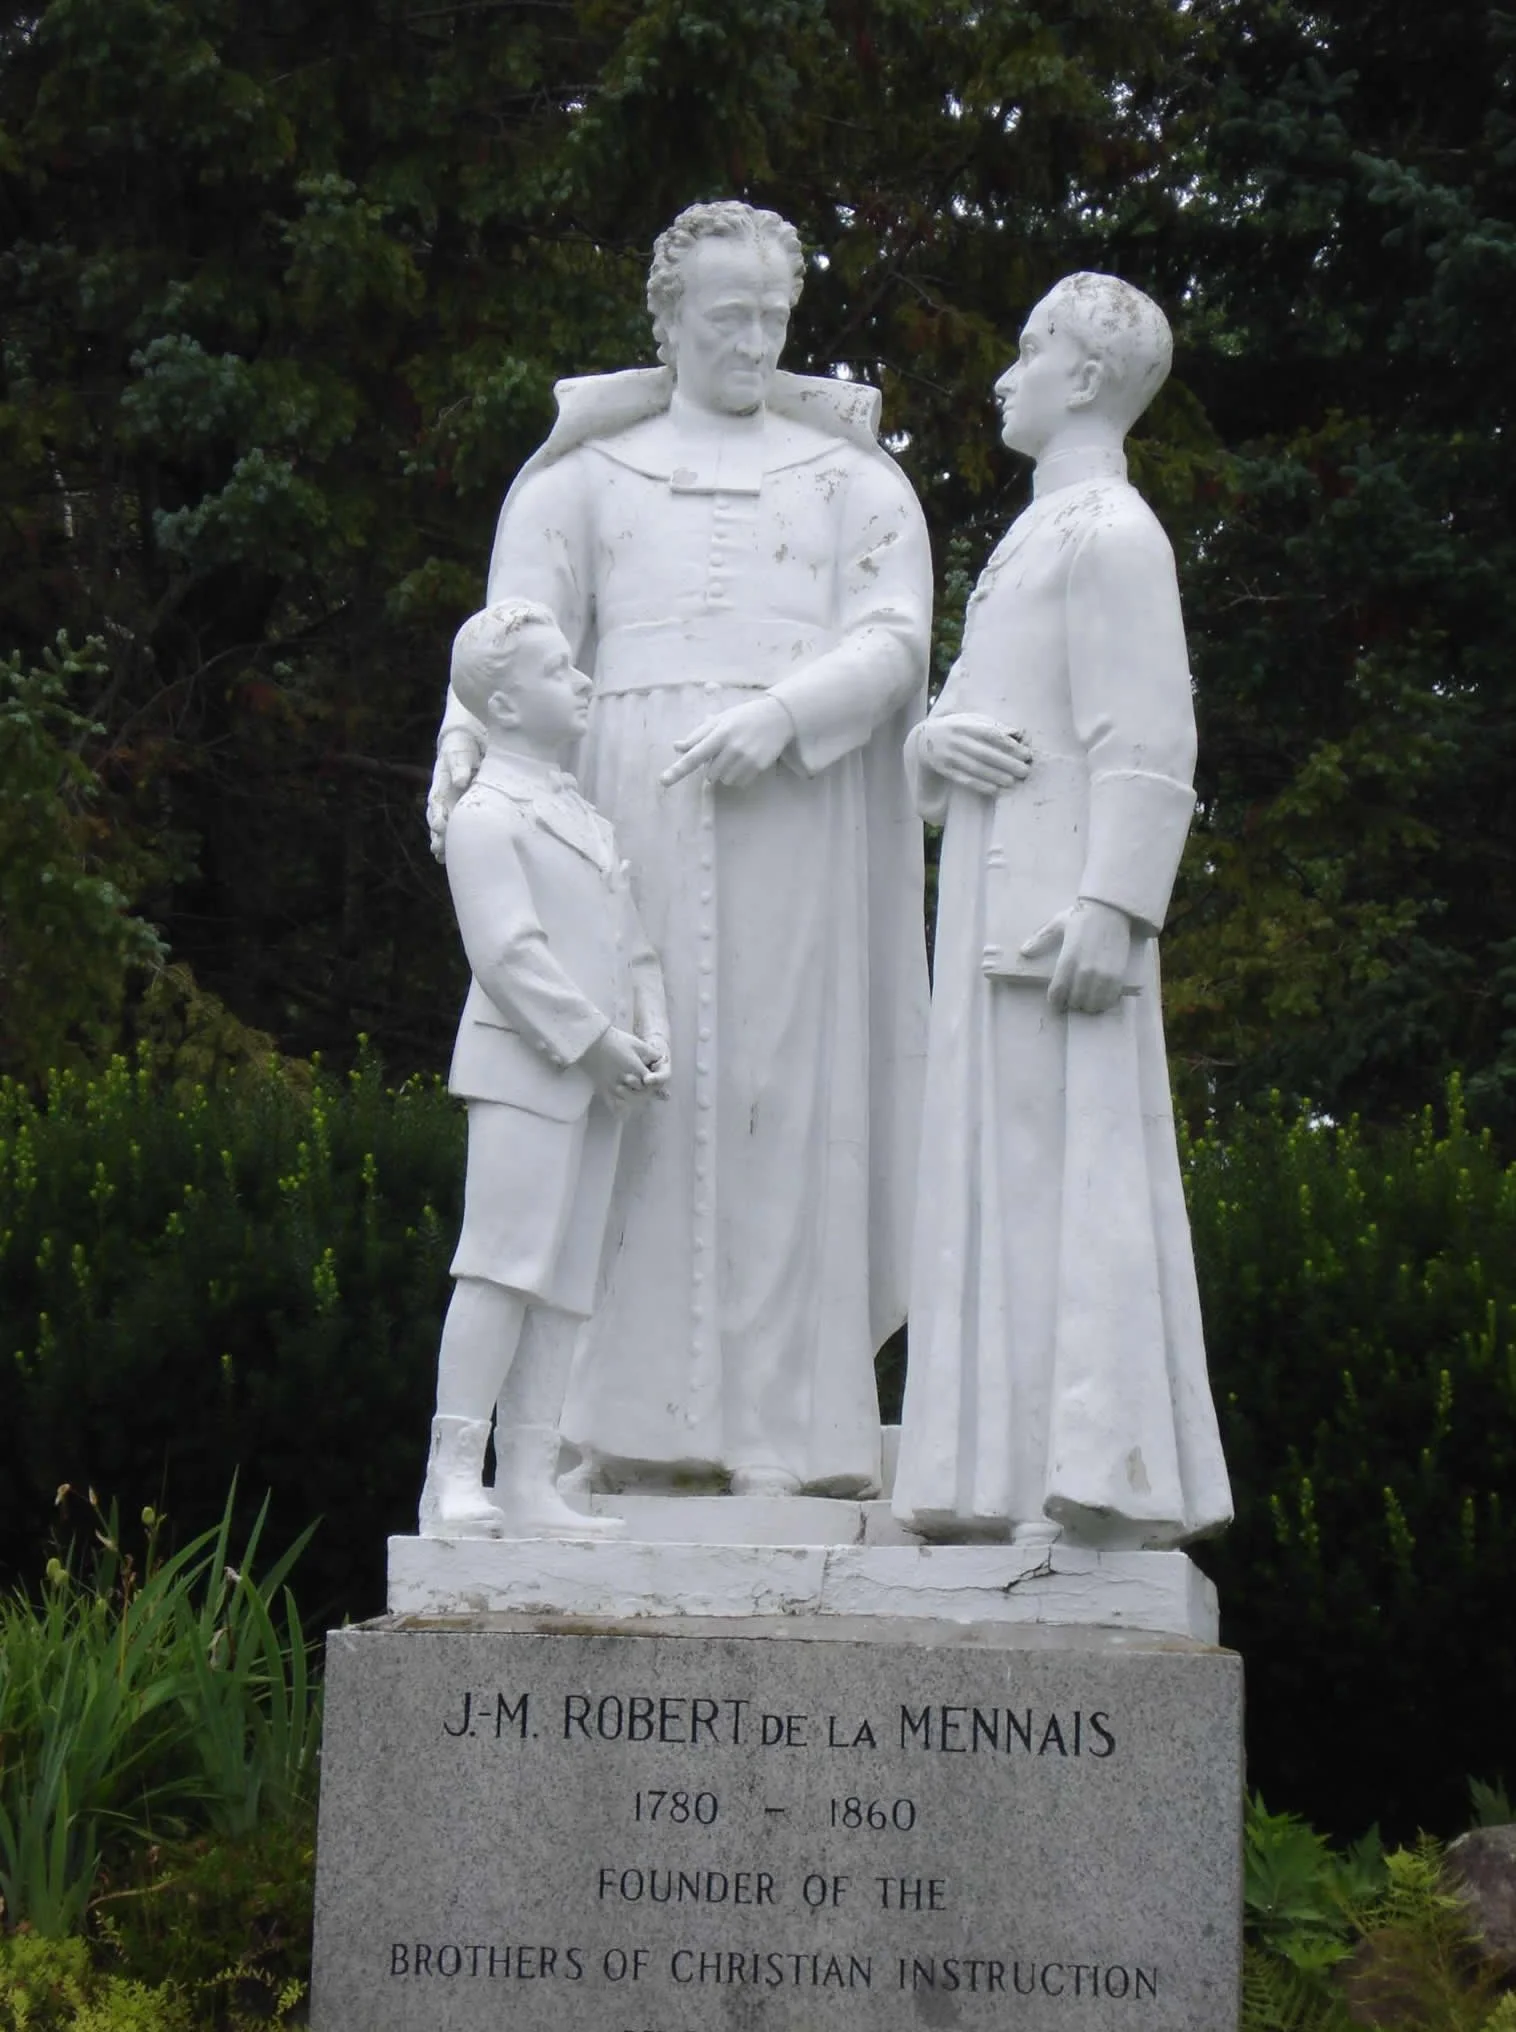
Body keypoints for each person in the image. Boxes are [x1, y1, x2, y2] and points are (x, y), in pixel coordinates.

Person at [426, 202, 931, 1499]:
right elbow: (505, 639)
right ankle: (611, 1438)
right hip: (621, 810)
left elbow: (894, 639)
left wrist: (784, 713)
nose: (754, 339)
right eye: (726, 318)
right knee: (632, 1117)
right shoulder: (584, 478)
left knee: (783, 1108)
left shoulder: (852, 483)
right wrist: (462, 746)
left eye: (772, 316)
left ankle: (792, 1438)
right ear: (667, 321)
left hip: (793, 826)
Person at [892, 273, 1233, 1547]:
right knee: (992, 1189)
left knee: (1070, 1186)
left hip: (1056, 920)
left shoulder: (1112, 533)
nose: (1004, 375)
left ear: (1085, 377)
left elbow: (1148, 736)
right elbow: (965, 724)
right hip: (990, 902)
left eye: (1027, 349)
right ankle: (995, 1475)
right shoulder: (1030, 539)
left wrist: (1114, 907)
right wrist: (936, 744)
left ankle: (1086, 1475)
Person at [420, 599, 669, 1538]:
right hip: (527, 1068)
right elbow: (509, 955)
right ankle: (453, 1472)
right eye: (559, 670)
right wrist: (598, 1041)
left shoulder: (582, 815)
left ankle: (528, 1476)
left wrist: (650, 1032)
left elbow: (628, 942)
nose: (583, 681)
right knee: (499, 1267)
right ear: (507, 705)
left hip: (599, 1077)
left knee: (565, 1282)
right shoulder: (487, 813)